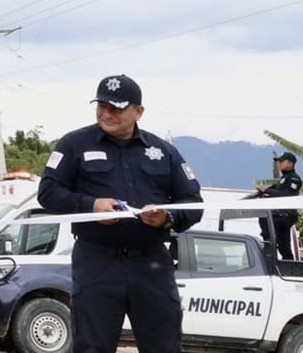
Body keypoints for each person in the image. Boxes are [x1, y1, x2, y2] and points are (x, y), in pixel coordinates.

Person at [37, 75, 201, 353]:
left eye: (116, 107)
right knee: (92, 346)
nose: (106, 113)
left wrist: (167, 217)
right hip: (97, 262)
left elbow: (192, 201)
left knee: (164, 345)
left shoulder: (163, 151)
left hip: (151, 263)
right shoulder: (74, 144)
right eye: (101, 105)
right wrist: (91, 206)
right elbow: (48, 192)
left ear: (138, 111)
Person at [247, 153, 303, 261]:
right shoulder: (284, 178)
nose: (279, 164)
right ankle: (285, 263)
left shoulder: (294, 179)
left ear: (290, 164)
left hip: (285, 214)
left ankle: (269, 249)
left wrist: (267, 190)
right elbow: (276, 189)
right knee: (284, 245)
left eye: (282, 161)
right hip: (281, 214)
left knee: (265, 219)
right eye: (279, 161)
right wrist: (264, 191)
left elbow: (285, 195)